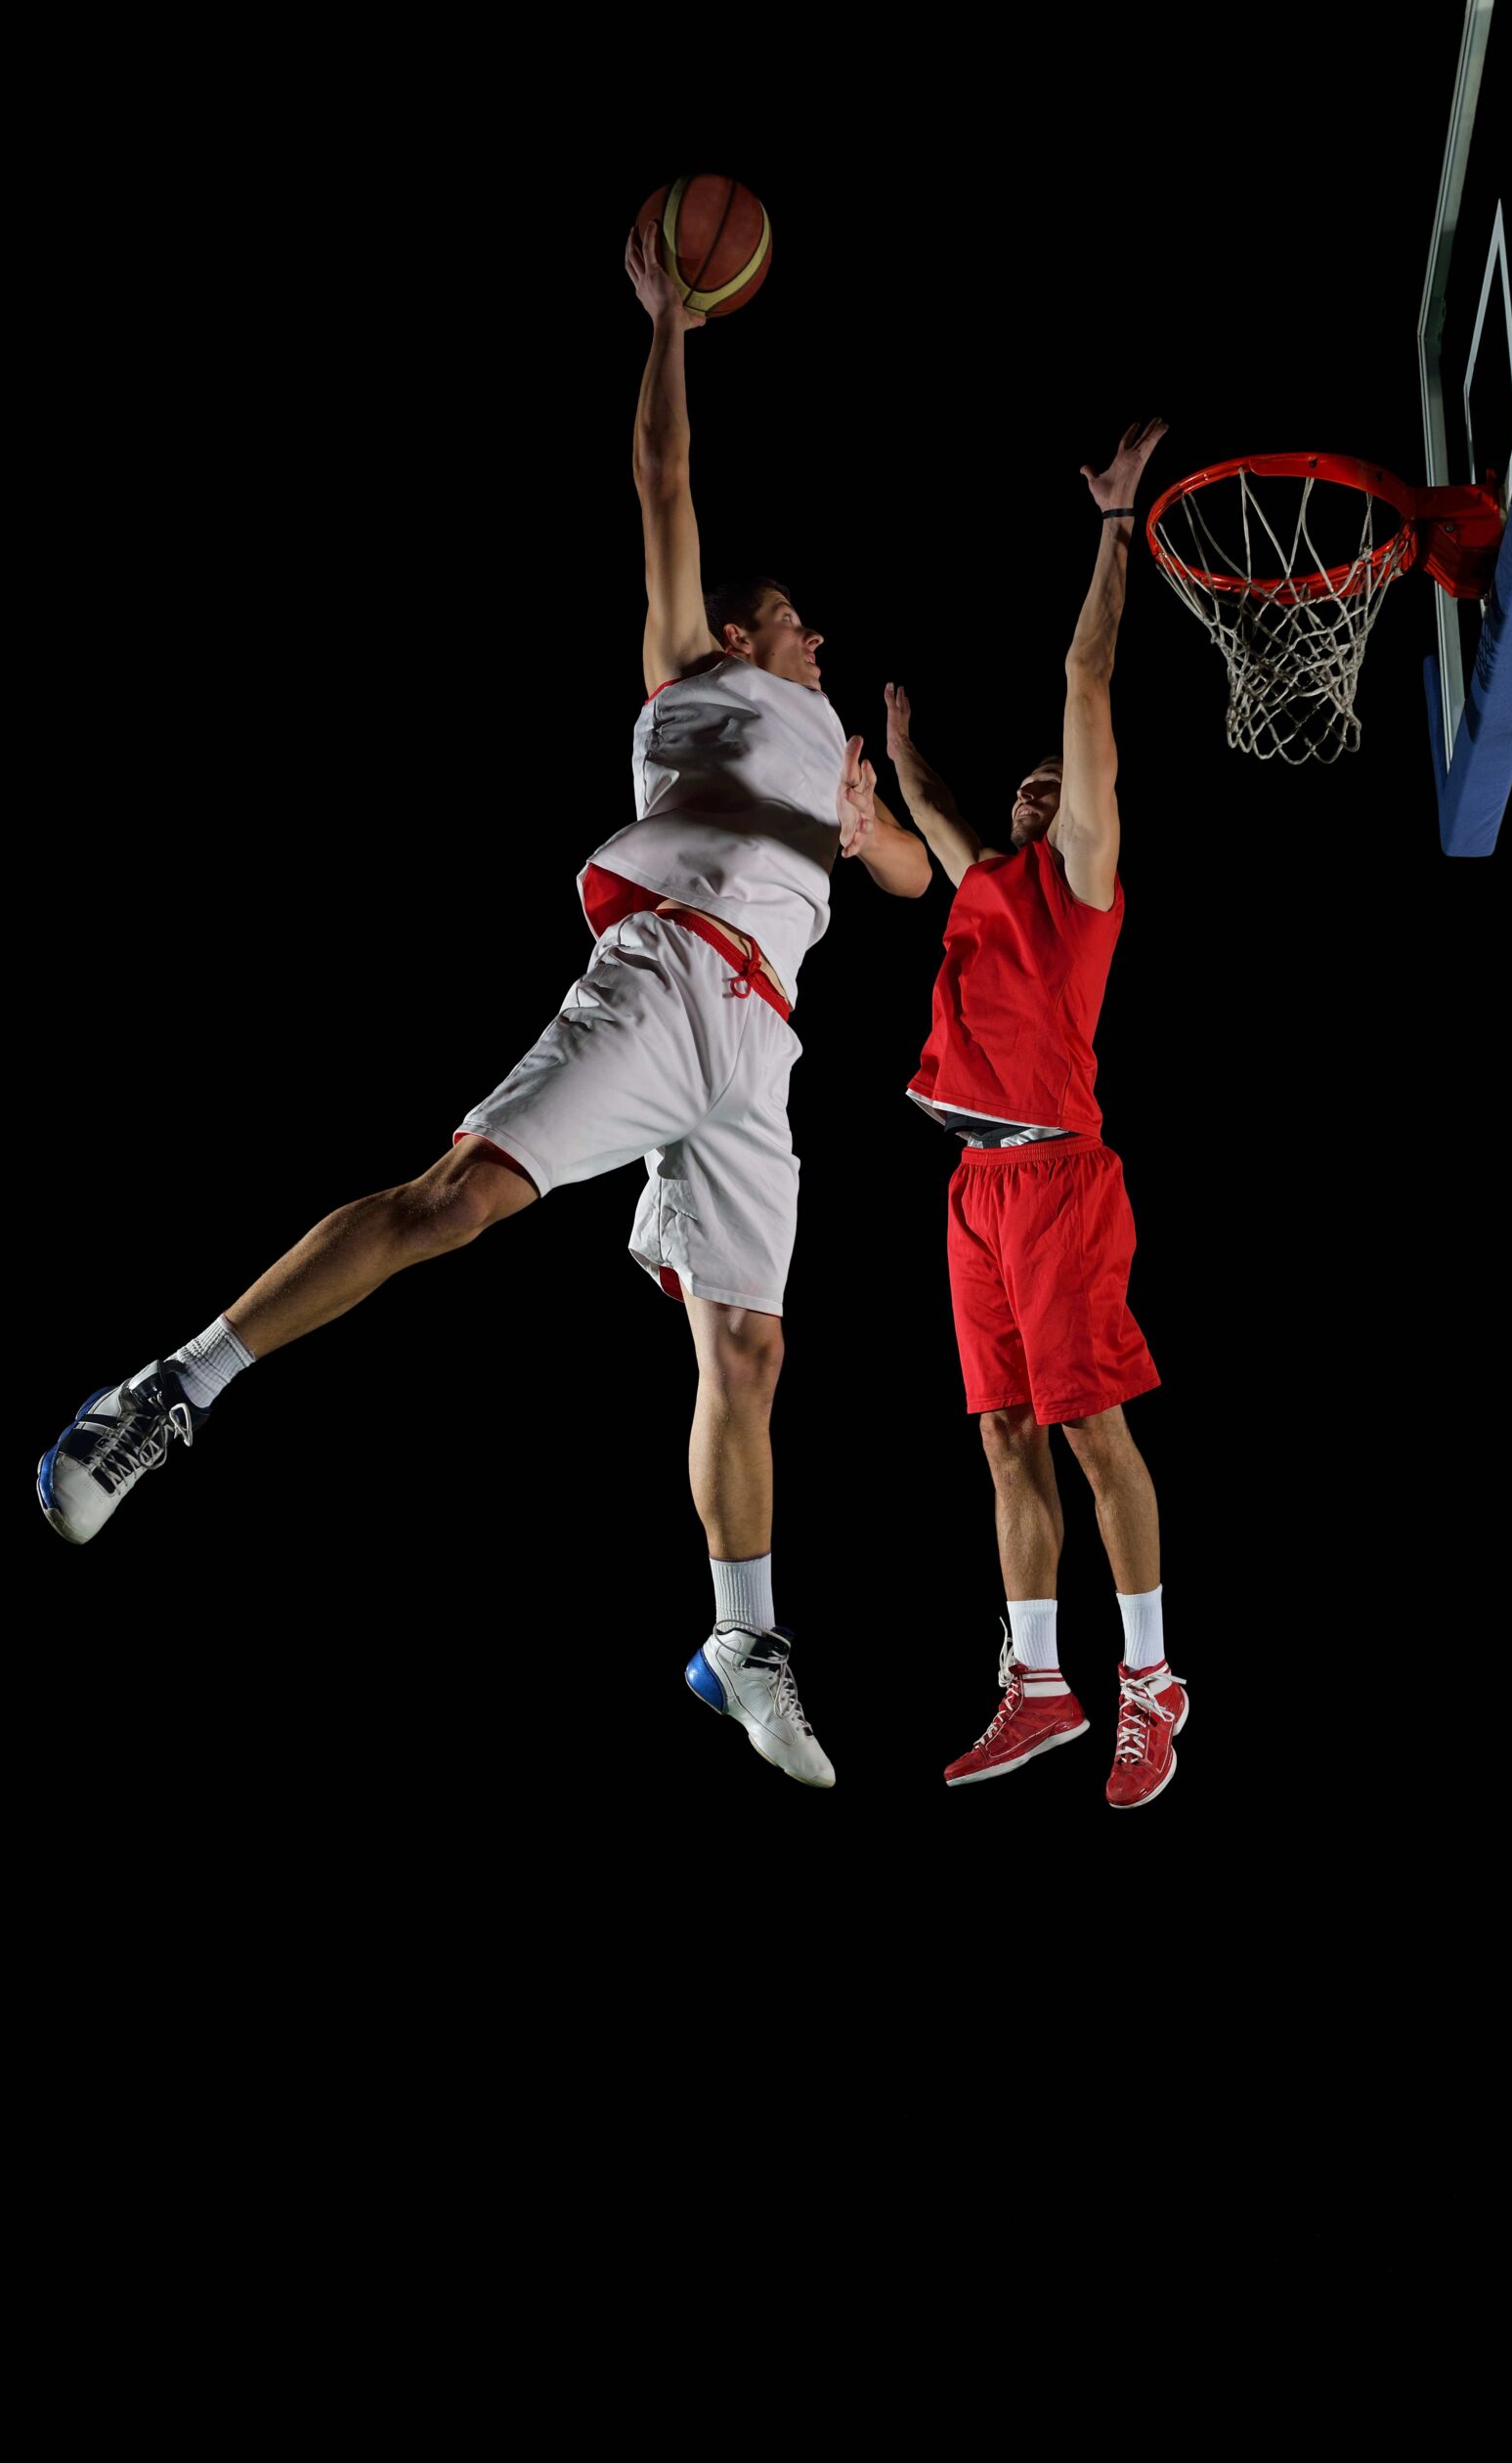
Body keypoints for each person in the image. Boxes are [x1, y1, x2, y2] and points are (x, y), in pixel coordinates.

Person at [37, 218, 930, 1793]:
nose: (817, 639)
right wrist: (669, 330)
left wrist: (871, 834)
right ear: (741, 636)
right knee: (452, 1202)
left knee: (751, 1357)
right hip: (663, 976)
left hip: (762, 1046)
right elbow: (664, 484)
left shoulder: (832, 752)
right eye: (798, 622)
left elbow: (915, 887)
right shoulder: (694, 677)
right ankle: (164, 1396)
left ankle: (740, 1646)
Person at [884, 417, 1186, 1809]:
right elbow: (943, 814)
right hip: (972, 1194)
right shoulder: (988, 891)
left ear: (1092, 817)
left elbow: (1082, 671)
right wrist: (894, 756)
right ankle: (1038, 1687)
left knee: (1090, 1433)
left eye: (1057, 787)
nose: (1037, 786)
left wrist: (1114, 527)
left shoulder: (1081, 888)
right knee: (1003, 1438)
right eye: (1031, 781)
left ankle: (1150, 1685)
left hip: (1059, 1181)